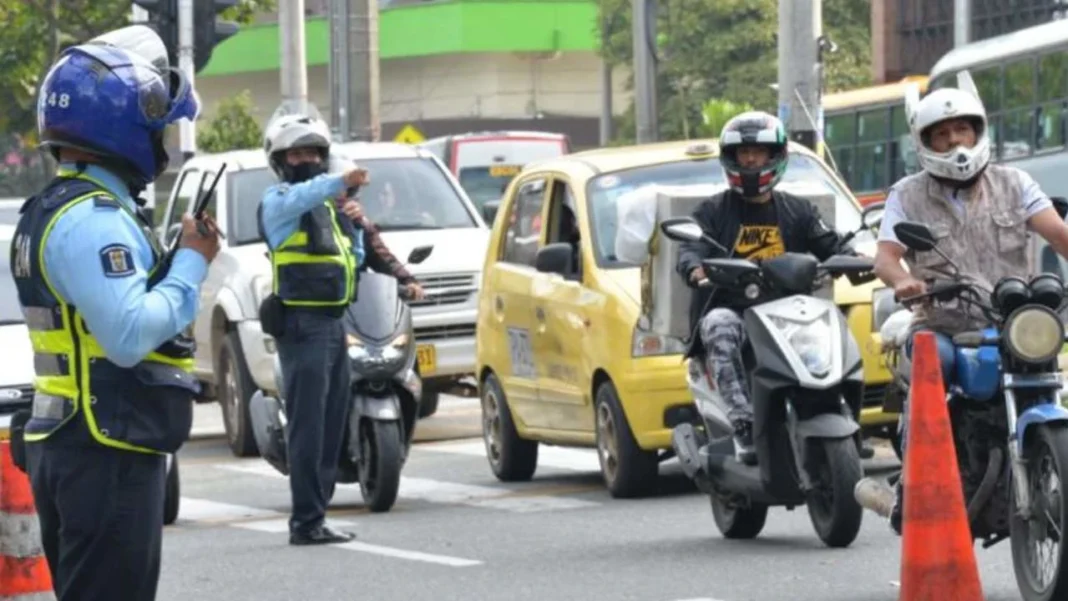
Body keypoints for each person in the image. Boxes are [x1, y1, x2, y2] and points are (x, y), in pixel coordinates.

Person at [8, 27, 218, 601]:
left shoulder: (52, 209)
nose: (162, 144)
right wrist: (192, 265)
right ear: (120, 129)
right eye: (156, 129)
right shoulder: (93, 219)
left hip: (79, 446)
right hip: (105, 452)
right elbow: (127, 335)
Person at [868, 72, 1068, 534]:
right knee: (931, 366)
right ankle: (912, 487)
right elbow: (886, 258)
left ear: (979, 132)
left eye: (963, 130)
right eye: (942, 133)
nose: (955, 141)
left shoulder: (1015, 183)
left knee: (1047, 363)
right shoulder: (907, 194)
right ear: (925, 142)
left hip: (1014, 318)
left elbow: (1058, 233)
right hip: (941, 322)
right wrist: (904, 282)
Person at [674, 111, 858, 465]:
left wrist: (853, 259)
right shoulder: (712, 212)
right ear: (730, 159)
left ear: (776, 156)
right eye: (743, 154)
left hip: (788, 313)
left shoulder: (798, 210)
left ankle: (840, 411)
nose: (750, 160)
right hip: (735, 309)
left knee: (833, 324)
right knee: (719, 325)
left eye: (758, 152)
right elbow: (690, 247)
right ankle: (742, 423)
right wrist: (695, 268)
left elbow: (829, 243)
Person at [258, 112, 369, 545]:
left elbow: (352, 260)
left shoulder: (329, 208)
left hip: (333, 321)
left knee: (330, 423)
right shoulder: (280, 202)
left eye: (314, 153)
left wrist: (355, 224)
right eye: (297, 152)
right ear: (281, 160)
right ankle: (305, 521)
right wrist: (341, 182)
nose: (307, 159)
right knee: (307, 426)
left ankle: (316, 514)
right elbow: (311, 191)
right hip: (302, 325)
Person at [340, 191, 426, 300]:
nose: (352, 208)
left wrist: (407, 281)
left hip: (353, 303)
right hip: (317, 300)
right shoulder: (315, 217)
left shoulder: (359, 225)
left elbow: (380, 255)